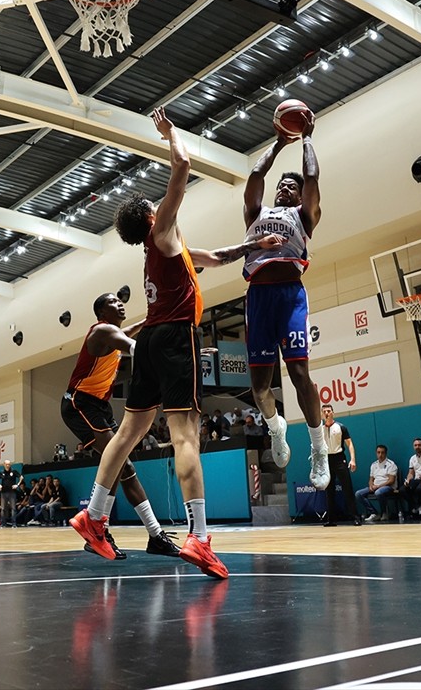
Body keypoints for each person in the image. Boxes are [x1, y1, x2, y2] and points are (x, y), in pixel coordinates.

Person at [71, 106, 285, 580]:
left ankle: (94, 515)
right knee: (186, 435)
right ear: (150, 216)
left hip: (148, 340)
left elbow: (215, 256)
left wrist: (256, 246)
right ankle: (200, 537)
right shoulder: (161, 230)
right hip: (171, 337)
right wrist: (172, 134)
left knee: (128, 433)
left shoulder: (170, 251)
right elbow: (183, 169)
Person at [242, 114, 330, 491]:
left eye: (290, 187)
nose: (284, 189)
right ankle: (277, 427)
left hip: (290, 295)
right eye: (282, 185)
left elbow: (312, 179)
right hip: (258, 296)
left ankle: (318, 446)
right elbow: (255, 179)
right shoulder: (256, 213)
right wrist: (278, 143)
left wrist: (307, 139)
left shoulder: (302, 215)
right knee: (259, 385)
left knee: (298, 375)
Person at [61, 292, 179, 557]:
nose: (120, 303)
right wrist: (180, 356)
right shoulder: (102, 332)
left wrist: (149, 320)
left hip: (98, 406)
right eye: (113, 302)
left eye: (120, 300)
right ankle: (98, 528)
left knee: (125, 468)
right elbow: (136, 347)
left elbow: (129, 331)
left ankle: (155, 536)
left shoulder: (110, 333)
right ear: (102, 313)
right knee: (119, 463)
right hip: (79, 403)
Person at [320, 403, 359, 526]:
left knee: (347, 488)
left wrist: (352, 459)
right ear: (322, 414)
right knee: (329, 491)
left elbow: (350, 444)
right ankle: (331, 520)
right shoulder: (320, 430)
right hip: (327, 460)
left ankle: (355, 517)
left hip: (339, 459)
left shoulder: (341, 427)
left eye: (329, 411)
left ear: (333, 412)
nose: (326, 413)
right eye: (324, 411)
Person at [355, 445, 397, 522]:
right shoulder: (374, 465)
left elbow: (391, 481)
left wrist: (378, 486)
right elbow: (371, 479)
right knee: (358, 494)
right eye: (378, 452)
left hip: (387, 487)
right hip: (375, 486)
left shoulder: (391, 464)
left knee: (378, 492)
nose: (380, 455)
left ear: (386, 453)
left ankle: (384, 513)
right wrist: (371, 485)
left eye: (382, 453)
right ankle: (374, 513)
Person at [0, 460, 23, 527]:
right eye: (7, 464)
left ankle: (14, 524)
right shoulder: (1, 472)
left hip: (12, 492)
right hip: (3, 492)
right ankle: (3, 523)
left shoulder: (13, 471)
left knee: (13, 508)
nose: (8, 466)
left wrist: (17, 485)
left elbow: (21, 477)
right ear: (4, 464)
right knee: (3, 509)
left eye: (9, 464)